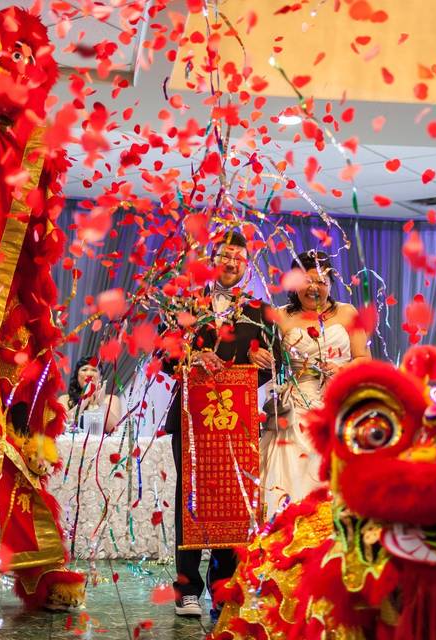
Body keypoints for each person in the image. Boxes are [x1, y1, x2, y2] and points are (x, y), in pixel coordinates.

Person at [162, 230, 282, 619]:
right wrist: (190, 359)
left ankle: (224, 587)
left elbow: (273, 361)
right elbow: (163, 355)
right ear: (211, 260)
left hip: (237, 419)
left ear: (247, 264)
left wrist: (264, 363)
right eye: (225, 255)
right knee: (191, 497)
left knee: (234, 501)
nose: (232, 263)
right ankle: (187, 588)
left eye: (239, 257)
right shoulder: (187, 303)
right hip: (192, 417)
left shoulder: (261, 312)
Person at [260, 250, 369, 518]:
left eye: (321, 281)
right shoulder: (280, 316)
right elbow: (270, 362)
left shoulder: (347, 313)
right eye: (308, 281)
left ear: (330, 284)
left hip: (340, 401)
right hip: (296, 404)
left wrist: (341, 368)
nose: (314, 288)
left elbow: (364, 360)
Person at [60, 356, 122, 435]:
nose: (89, 374)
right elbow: (61, 425)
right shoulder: (65, 399)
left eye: (94, 370)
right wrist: (84, 400)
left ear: (100, 377)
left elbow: (115, 429)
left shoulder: (111, 399)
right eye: (84, 369)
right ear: (77, 376)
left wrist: (101, 403)